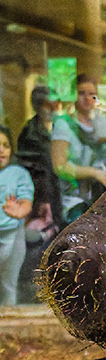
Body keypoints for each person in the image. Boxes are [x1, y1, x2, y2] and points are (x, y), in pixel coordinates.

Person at [51, 74, 106, 223]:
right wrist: (94, 173)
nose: (87, 98)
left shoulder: (102, 123)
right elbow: (60, 166)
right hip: (74, 202)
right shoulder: (64, 125)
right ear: (74, 96)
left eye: (92, 94)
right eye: (81, 93)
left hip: (103, 198)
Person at [16, 85, 63, 241]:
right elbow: (32, 170)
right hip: (43, 198)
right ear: (38, 106)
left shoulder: (60, 128)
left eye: (56, 104)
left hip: (60, 193)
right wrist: (42, 200)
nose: (53, 109)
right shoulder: (29, 133)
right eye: (48, 105)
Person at [0, 125, 34, 306]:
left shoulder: (18, 174)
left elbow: (26, 202)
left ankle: (8, 321)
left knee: (8, 284)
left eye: (5, 145)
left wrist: (21, 211)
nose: (1, 150)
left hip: (13, 234)